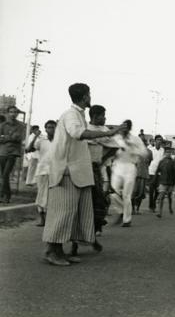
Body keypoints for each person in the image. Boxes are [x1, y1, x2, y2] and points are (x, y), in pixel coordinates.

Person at [42, 83, 125, 266]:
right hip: (67, 172)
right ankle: (51, 251)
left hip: (76, 172)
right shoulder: (71, 115)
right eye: (89, 94)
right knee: (63, 212)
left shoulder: (77, 115)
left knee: (73, 213)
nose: (90, 97)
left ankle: (61, 251)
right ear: (85, 96)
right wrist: (111, 131)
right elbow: (77, 133)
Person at [86, 105, 120, 238]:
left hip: (96, 168)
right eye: (103, 115)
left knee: (99, 197)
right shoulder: (85, 128)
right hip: (82, 167)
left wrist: (102, 158)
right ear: (95, 116)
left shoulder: (105, 130)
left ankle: (98, 224)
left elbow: (115, 147)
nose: (105, 118)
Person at [109, 120, 147, 227]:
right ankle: (121, 210)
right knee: (112, 191)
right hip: (117, 166)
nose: (124, 130)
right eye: (123, 128)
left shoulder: (135, 139)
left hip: (130, 166)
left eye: (126, 128)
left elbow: (144, 153)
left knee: (127, 195)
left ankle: (127, 220)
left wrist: (132, 149)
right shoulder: (116, 138)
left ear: (130, 129)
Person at [27, 120, 57, 227]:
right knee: (41, 195)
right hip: (42, 171)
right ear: (45, 129)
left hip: (55, 171)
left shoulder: (60, 140)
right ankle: (42, 219)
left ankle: (50, 219)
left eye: (53, 127)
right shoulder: (41, 140)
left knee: (52, 196)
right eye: (48, 127)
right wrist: (36, 136)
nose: (51, 129)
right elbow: (28, 149)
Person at [0, 106, 26, 203]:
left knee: (6, 174)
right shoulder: (2, 125)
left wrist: (5, 138)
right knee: (3, 174)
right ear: (7, 113)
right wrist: (10, 137)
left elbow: (18, 138)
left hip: (13, 152)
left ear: (17, 114)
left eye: (15, 112)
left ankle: (2, 195)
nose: (13, 114)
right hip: (2, 152)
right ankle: (8, 194)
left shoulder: (20, 125)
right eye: (11, 112)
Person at [155, 147, 175, 218]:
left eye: (169, 152)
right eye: (167, 152)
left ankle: (170, 207)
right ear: (165, 153)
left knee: (169, 197)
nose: (168, 153)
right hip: (163, 181)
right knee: (161, 196)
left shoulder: (173, 162)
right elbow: (157, 171)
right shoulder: (161, 162)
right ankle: (159, 212)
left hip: (170, 182)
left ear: (171, 153)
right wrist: (156, 180)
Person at [133, 133, 152, 214]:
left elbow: (149, 162)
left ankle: (137, 209)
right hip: (134, 174)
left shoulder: (149, 152)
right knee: (133, 192)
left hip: (144, 174)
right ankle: (133, 209)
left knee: (141, 193)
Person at [148, 135, 164, 213]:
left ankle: (153, 203)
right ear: (155, 141)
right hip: (151, 172)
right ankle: (151, 206)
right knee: (151, 190)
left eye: (160, 140)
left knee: (158, 190)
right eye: (158, 140)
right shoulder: (150, 149)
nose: (159, 141)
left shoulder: (163, 150)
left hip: (160, 173)